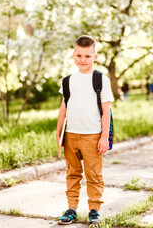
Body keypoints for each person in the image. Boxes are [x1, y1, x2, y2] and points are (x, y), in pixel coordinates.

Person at [56, 35, 114, 226]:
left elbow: (106, 110)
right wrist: (59, 132)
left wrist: (104, 136)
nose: (83, 60)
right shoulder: (67, 81)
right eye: (79, 55)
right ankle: (71, 208)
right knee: (72, 173)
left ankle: (94, 210)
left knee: (93, 174)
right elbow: (63, 107)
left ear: (95, 56)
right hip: (71, 135)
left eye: (87, 56)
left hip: (92, 136)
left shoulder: (100, 80)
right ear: (73, 55)